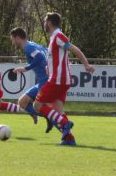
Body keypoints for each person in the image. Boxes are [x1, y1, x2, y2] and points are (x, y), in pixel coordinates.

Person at [33, 12, 95, 145]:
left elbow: (75, 49)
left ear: (49, 22)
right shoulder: (54, 37)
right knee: (58, 110)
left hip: (58, 79)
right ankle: (70, 139)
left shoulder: (58, 36)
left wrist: (86, 65)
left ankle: (65, 123)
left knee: (37, 105)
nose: (44, 24)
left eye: (45, 21)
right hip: (62, 79)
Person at [10, 27, 53, 133]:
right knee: (22, 102)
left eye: (13, 39)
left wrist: (25, 68)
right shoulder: (33, 44)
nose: (13, 42)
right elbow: (46, 54)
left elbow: (40, 57)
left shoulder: (28, 47)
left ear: (18, 37)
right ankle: (48, 116)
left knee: (38, 106)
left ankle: (53, 118)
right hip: (43, 81)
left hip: (45, 81)